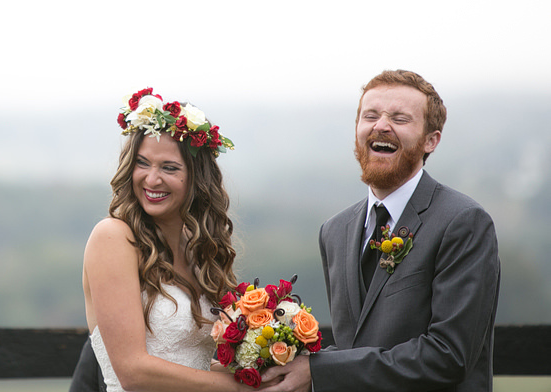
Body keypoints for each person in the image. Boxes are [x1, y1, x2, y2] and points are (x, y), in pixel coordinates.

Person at [262, 70, 501, 392]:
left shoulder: (463, 222)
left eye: (400, 118)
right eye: (370, 115)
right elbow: (352, 346)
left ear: (431, 140)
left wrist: (319, 371)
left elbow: (449, 356)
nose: (381, 125)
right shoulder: (334, 231)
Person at [70, 87, 253, 392]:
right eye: (143, 163)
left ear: (197, 178)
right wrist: (235, 387)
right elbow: (132, 371)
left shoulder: (198, 249)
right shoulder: (113, 237)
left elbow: (197, 356)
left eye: (169, 168)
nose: (152, 179)